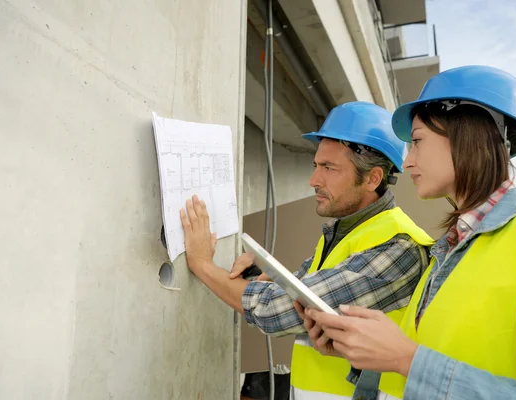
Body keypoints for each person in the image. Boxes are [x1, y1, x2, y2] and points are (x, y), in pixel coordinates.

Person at [299, 65, 516, 400]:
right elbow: (438, 363)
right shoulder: (448, 251)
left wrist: (406, 359)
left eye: (416, 142)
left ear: (465, 135)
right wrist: (365, 354)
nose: (408, 162)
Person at [179, 101, 435, 399]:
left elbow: (276, 310)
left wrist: (202, 264)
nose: (314, 180)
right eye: (316, 166)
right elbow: (298, 294)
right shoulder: (343, 233)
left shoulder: (399, 248)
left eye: (329, 168)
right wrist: (263, 276)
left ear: (372, 178)